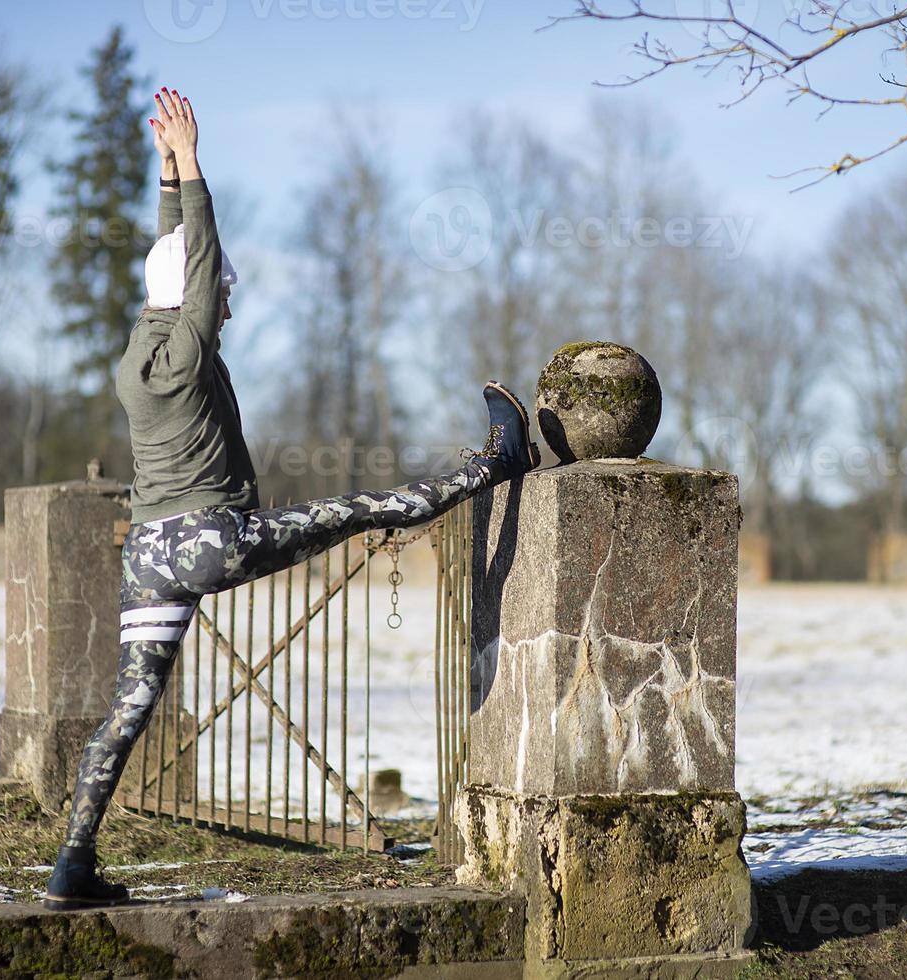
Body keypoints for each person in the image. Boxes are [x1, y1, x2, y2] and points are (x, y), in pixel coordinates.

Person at [43, 87, 539, 910]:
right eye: (225, 296)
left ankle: (71, 866)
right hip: (211, 537)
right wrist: (194, 165)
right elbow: (197, 264)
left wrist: (165, 173)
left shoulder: (140, 347)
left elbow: (174, 261)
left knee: (126, 711)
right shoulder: (192, 346)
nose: (228, 305)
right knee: (365, 508)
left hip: (150, 556)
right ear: (203, 298)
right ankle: (498, 463)